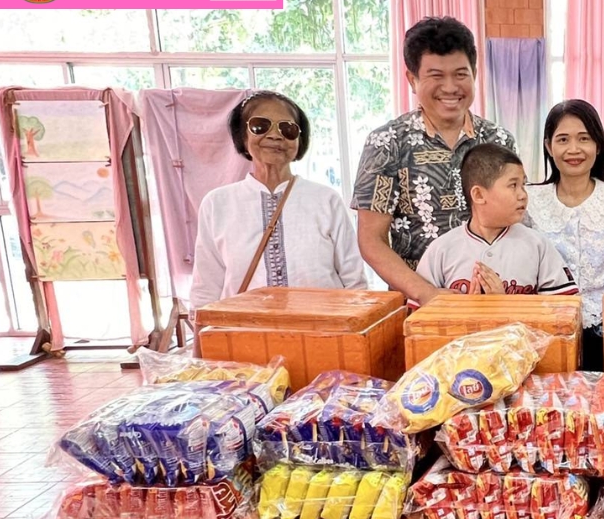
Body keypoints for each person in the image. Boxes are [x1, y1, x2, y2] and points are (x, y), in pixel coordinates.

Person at [351, 16, 517, 307]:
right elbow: (371, 240)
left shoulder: (499, 140)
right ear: (412, 79)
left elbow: (514, 221)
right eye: (436, 76)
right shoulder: (387, 143)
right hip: (417, 308)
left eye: (461, 74)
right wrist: (426, 293)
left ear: (475, 73)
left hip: (491, 303)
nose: (450, 87)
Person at [191, 90, 366, 310]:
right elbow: (206, 285)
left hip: (321, 333)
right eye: (260, 126)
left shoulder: (326, 200)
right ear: (242, 136)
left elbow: (354, 278)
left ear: (300, 141)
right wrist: (202, 338)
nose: (275, 136)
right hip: (244, 334)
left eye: (288, 129)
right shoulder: (217, 204)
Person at [525, 100, 604, 371]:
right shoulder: (530, 199)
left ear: (598, 146)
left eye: (584, 139)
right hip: (544, 330)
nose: (573, 149)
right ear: (548, 146)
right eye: (563, 139)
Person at [414, 144, 578, 307]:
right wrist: (465, 310)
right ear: (478, 195)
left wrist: (504, 304)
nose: (523, 195)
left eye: (523, 185)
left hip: (522, 333)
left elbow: (565, 310)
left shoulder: (537, 245)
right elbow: (417, 319)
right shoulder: (442, 249)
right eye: (513, 185)